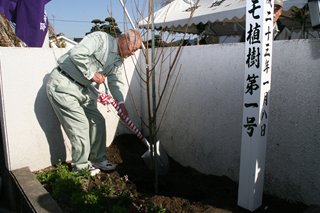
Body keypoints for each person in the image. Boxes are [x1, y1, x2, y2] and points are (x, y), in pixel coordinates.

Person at [46, 29, 142, 175]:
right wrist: (92, 74)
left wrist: (121, 103)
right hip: (64, 84)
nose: (133, 53)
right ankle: (81, 168)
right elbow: (76, 54)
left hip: (84, 90)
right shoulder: (100, 39)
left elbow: (116, 83)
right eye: (133, 48)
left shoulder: (118, 60)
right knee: (81, 125)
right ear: (124, 40)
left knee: (98, 121)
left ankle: (98, 159)